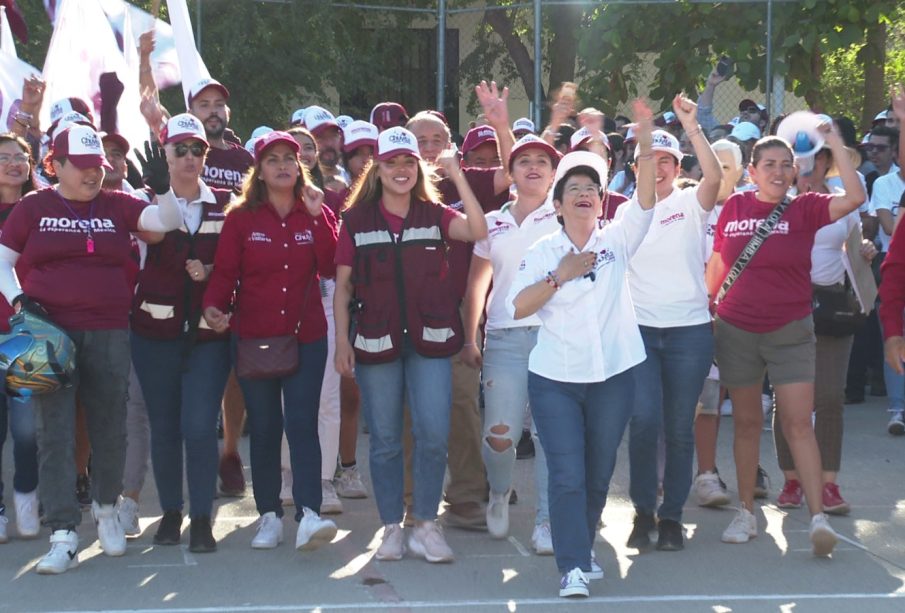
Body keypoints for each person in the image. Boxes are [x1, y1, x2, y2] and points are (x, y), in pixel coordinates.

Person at [0, 125, 184, 574]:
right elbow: (2, 259)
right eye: (81, 167)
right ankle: (63, 532)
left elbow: (166, 223)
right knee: (54, 431)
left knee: (110, 427)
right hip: (48, 333)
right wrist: (20, 300)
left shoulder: (118, 203)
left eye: (97, 167)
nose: (92, 175)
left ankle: (105, 510)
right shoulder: (33, 207)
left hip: (108, 329)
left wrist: (163, 189)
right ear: (55, 166)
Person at [507, 101, 656, 598]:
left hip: (614, 375)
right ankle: (571, 565)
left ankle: (583, 548)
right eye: (574, 189)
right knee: (567, 473)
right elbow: (520, 306)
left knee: (598, 472)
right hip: (555, 380)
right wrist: (560, 275)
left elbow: (649, 199)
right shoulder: (543, 251)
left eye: (592, 188)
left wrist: (649, 134)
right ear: (558, 204)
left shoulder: (617, 239)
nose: (586, 194)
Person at [707, 122, 866, 557]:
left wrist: (833, 143)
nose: (778, 172)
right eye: (769, 165)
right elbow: (720, 263)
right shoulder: (734, 207)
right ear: (751, 172)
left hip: (792, 330)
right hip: (737, 329)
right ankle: (745, 512)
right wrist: (710, 308)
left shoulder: (806, 207)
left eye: (786, 166)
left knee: (799, 423)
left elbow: (855, 198)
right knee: (745, 423)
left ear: (795, 172)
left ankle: (817, 519)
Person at [333, 127, 488, 563]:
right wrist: (341, 342)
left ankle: (425, 523)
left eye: (408, 162)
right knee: (384, 439)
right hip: (375, 343)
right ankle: (390, 528)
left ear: (418, 169)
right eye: (391, 163)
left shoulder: (434, 213)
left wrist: (457, 175)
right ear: (376, 170)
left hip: (432, 341)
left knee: (433, 433)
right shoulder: (355, 220)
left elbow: (477, 229)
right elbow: (343, 289)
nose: (400, 170)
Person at [203, 131, 339, 552]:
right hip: (254, 336)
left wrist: (319, 218)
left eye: (289, 159)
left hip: (306, 337)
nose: (282, 165)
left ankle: (309, 514)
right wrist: (213, 306)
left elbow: (332, 265)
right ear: (259, 171)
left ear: (300, 168)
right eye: (273, 159)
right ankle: (267, 515)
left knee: (302, 423)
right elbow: (224, 273)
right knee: (263, 427)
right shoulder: (241, 217)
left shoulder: (314, 211)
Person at [130, 114, 233, 553]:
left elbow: (236, 264)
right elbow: (156, 227)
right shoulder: (145, 201)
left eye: (198, 150)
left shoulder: (228, 203)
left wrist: (209, 272)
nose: (191, 157)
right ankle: (171, 512)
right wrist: (160, 190)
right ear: (165, 154)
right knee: (166, 426)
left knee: (198, 425)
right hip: (155, 334)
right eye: (181, 149)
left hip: (209, 336)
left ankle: (203, 517)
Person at [623, 95, 722, 552]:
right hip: (639, 332)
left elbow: (716, 178)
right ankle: (643, 511)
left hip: (688, 333)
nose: (658, 168)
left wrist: (692, 125)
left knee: (680, 427)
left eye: (666, 160)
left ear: (677, 165)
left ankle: (671, 518)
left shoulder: (690, 202)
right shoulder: (624, 211)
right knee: (643, 422)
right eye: (650, 159)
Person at [461, 134, 560, 553]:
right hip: (503, 338)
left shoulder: (565, 217)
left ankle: (546, 522)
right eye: (524, 162)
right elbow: (476, 286)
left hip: (555, 338)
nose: (533, 167)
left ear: (554, 173)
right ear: (511, 173)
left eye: (542, 161)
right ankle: (499, 491)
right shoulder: (492, 221)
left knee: (551, 437)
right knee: (499, 436)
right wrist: (470, 336)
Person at [772, 142, 876, 516]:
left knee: (831, 398)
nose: (806, 164)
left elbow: (852, 244)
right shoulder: (774, 201)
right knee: (789, 399)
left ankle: (829, 484)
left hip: (832, 308)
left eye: (816, 156)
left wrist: (864, 246)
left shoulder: (840, 201)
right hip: (785, 306)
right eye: (798, 157)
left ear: (826, 162)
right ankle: (792, 480)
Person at [693, 139, 744, 508]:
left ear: (741, 172)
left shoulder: (755, 208)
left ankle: (750, 469)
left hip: (746, 321)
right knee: (707, 402)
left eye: (726, 167)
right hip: (699, 319)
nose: (719, 173)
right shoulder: (692, 207)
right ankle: (706, 474)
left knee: (745, 403)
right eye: (713, 165)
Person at [0, 133, 39, 544]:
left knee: (28, 429)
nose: (13, 163)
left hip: (29, 336)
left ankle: (27, 496)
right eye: (4, 157)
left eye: (20, 156)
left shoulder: (40, 208)